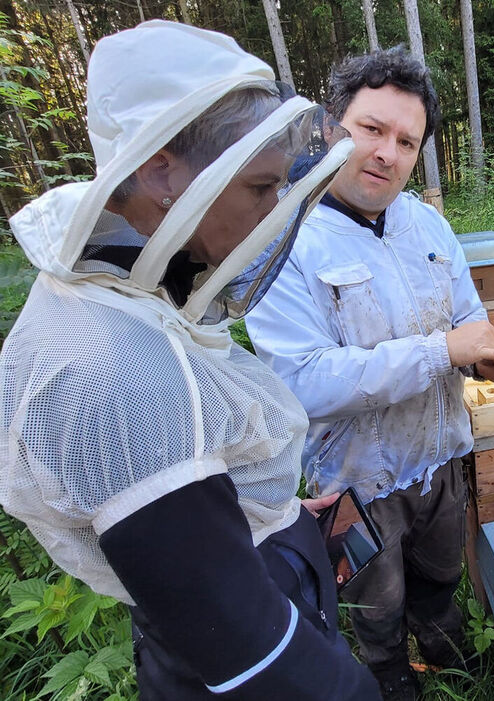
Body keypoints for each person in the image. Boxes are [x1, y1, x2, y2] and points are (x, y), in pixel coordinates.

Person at [0, 20, 381, 700]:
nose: (273, 211)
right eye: (259, 187)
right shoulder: (112, 373)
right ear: (161, 171)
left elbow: (191, 489)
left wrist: (281, 513)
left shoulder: (130, 283)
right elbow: (253, 654)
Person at [245, 47, 494, 700]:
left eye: (407, 140)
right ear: (332, 125)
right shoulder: (286, 240)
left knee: (438, 575)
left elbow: (469, 318)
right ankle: (391, 676)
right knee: (376, 602)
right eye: (371, 129)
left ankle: (444, 643)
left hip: (442, 459)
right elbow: (303, 382)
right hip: (355, 483)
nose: (388, 153)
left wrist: (487, 353)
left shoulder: (427, 223)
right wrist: (443, 350)